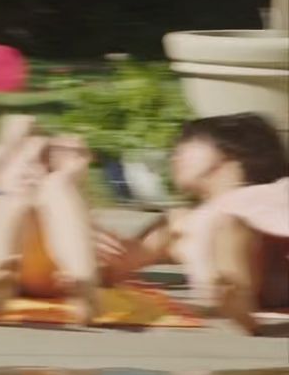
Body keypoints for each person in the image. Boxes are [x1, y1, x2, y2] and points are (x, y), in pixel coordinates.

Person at [108, 113, 289, 334]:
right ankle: (236, 295)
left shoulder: (271, 193)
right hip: (249, 279)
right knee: (220, 226)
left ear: (231, 150)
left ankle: (237, 296)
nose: (175, 156)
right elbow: (124, 259)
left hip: (274, 256)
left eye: (188, 143)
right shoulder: (183, 222)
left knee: (230, 226)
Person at [0, 114, 111, 325]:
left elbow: (82, 226)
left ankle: (83, 280)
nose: (36, 169)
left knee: (54, 189)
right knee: (14, 207)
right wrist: (5, 145)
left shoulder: (52, 199)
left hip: (40, 265)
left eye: (47, 165)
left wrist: (71, 172)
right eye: (25, 158)